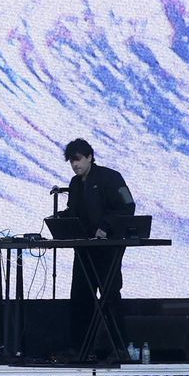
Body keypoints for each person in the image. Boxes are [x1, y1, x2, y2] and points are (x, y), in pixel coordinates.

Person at [62, 138, 135, 360]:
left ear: (90, 157)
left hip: (108, 249)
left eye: (78, 159)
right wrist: (60, 221)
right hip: (84, 248)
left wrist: (106, 226)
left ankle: (119, 348)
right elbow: (73, 211)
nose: (75, 165)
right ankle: (81, 349)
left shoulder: (111, 177)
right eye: (71, 161)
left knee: (110, 295)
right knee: (80, 296)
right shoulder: (75, 183)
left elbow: (128, 205)